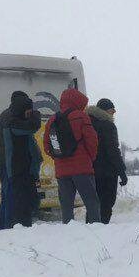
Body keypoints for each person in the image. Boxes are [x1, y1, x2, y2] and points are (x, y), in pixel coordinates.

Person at [43, 88, 100, 224]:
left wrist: (58, 158)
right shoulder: (81, 117)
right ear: (77, 101)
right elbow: (92, 141)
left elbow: (47, 146)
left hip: (62, 171)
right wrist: (90, 158)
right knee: (91, 202)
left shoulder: (52, 120)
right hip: (82, 168)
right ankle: (95, 228)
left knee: (66, 206)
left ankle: (68, 230)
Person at [0, 91, 43, 230]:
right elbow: (30, 128)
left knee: (7, 194)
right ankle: (8, 225)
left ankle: (2, 225)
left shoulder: (8, 114)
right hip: (7, 162)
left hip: (4, 160)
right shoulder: (11, 118)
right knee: (11, 194)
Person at [87, 98, 128, 223]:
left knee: (93, 203)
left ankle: (90, 227)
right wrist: (122, 171)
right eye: (112, 110)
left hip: (90, 169)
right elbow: (113, 150)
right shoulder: (108, 125)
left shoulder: (87, 123)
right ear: (105, 111)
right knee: (107, 202)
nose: (114, 112)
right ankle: (102, 228)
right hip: (107, 171)